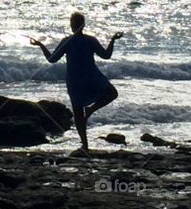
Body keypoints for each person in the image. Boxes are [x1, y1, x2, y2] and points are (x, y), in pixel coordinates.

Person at [30, 12, 122, 151]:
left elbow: (52, 59)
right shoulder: (90, 40)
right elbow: (106, 55)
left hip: (75, 80)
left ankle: (85, 145)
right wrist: (113, 40)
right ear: (83, 25)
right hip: (91, 76)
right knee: (112, 93)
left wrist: (40, 45)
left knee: (78, 113)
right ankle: (91, 110)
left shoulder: (67, 41)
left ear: (72, 25)